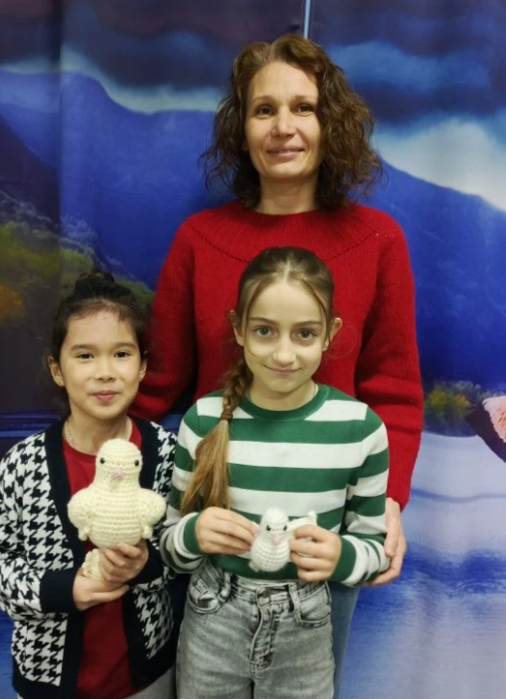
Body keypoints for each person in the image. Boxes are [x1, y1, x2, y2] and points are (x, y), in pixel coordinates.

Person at [131, 33, 422, 691]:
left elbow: (395, 390)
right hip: (213, 537)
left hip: (321, 543)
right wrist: (101, 472)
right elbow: (158, 387)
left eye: (303, 108)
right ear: (242, 128)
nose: (283, 127)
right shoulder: (199, 239)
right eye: (264, 110)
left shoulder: (378, 240)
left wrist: (389, 501)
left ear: (330, 124)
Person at [161, 246, 389, 699]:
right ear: (238, 329)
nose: (284, 355)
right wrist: (194, 534)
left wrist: (341, 557)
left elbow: (374, 550)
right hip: (212, 619)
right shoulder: (203, 421)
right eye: (264, 331)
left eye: (304, 334)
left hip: (307, 624)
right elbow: (169, 547)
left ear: (330, 334)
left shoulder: (361, 429)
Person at [0, 271, 179, 699]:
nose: (105, 373)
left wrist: (147, 565)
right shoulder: (23, 465)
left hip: (148, 675)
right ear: (57, 369)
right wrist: (64, 589)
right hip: (47, 680)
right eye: (85, 356)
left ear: (142, 367)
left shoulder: (169, 454)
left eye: (121, 354)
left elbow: (189, 547)